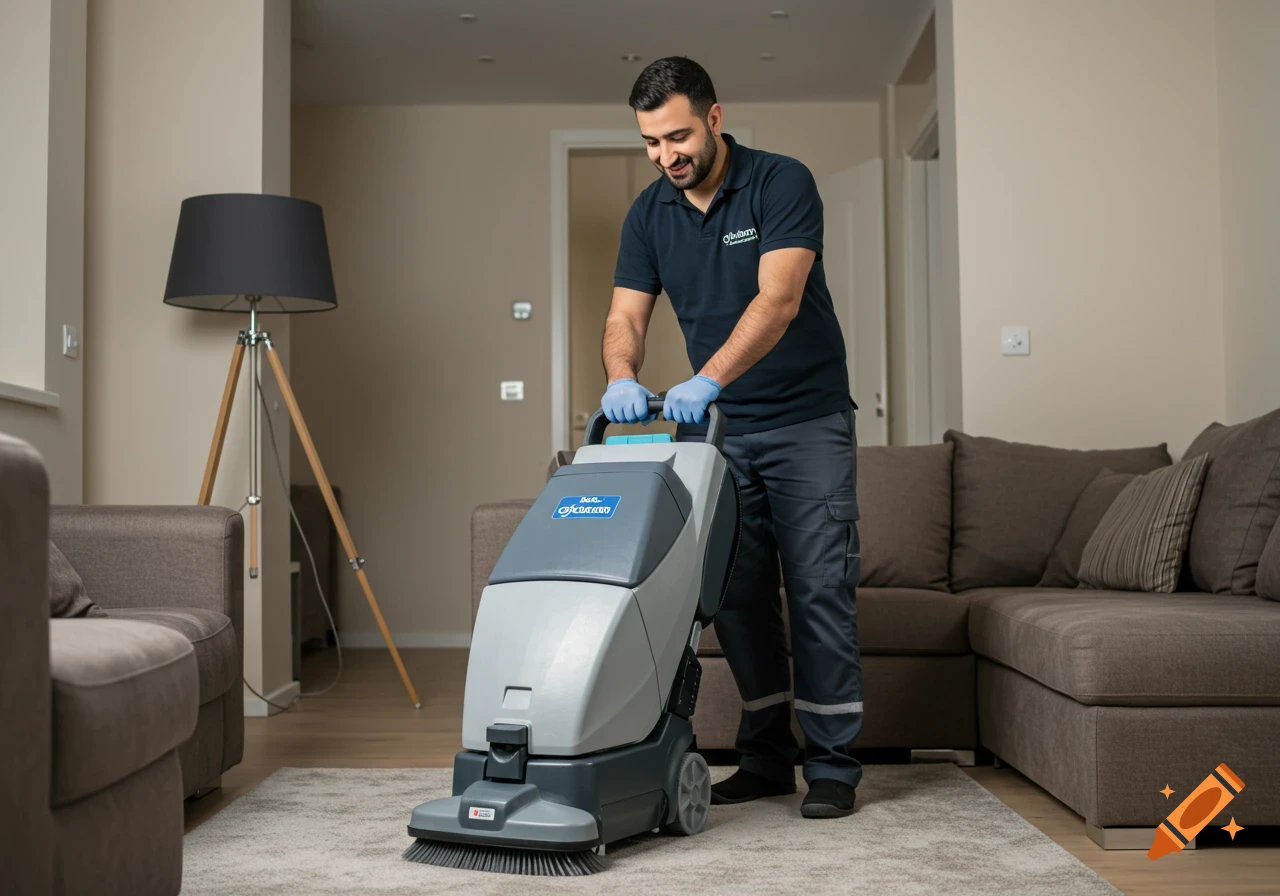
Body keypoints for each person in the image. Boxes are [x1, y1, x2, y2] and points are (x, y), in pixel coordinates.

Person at [600, 56, 863, 819]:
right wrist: (623, 373)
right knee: (737, 596)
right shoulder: (650, 213)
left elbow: (778, 301)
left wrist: (708, 377)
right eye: (651, 142)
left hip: (807, 420)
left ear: (714, 118)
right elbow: (626, 317)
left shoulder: (781, 182)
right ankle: (767, 757)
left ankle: (836, 765)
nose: (665, 155)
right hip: (719, 435)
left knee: (818, 589)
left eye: (677, 135)